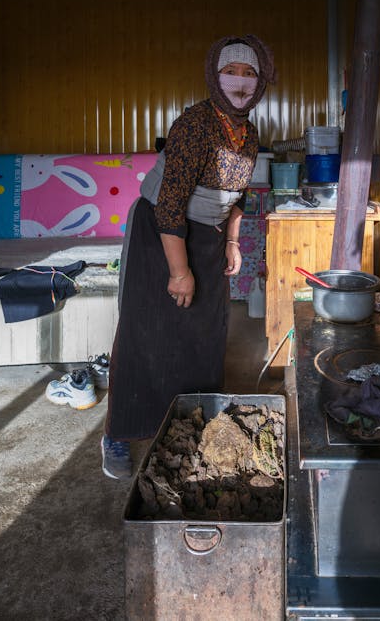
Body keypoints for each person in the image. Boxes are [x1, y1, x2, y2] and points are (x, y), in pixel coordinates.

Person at [101, 34, 275, 479]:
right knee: (147, 334)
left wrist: (232, 242)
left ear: (262, 82)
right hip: (160, 233)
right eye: (230, 71)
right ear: (214, 77)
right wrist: (179, 272)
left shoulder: (248, 133)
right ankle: (119, 434)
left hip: (208, 236)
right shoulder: (194, 124)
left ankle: (190, 426)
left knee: (204, 335)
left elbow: (237, 197)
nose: (239, 82)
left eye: (249, 73)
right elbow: (170, 206)